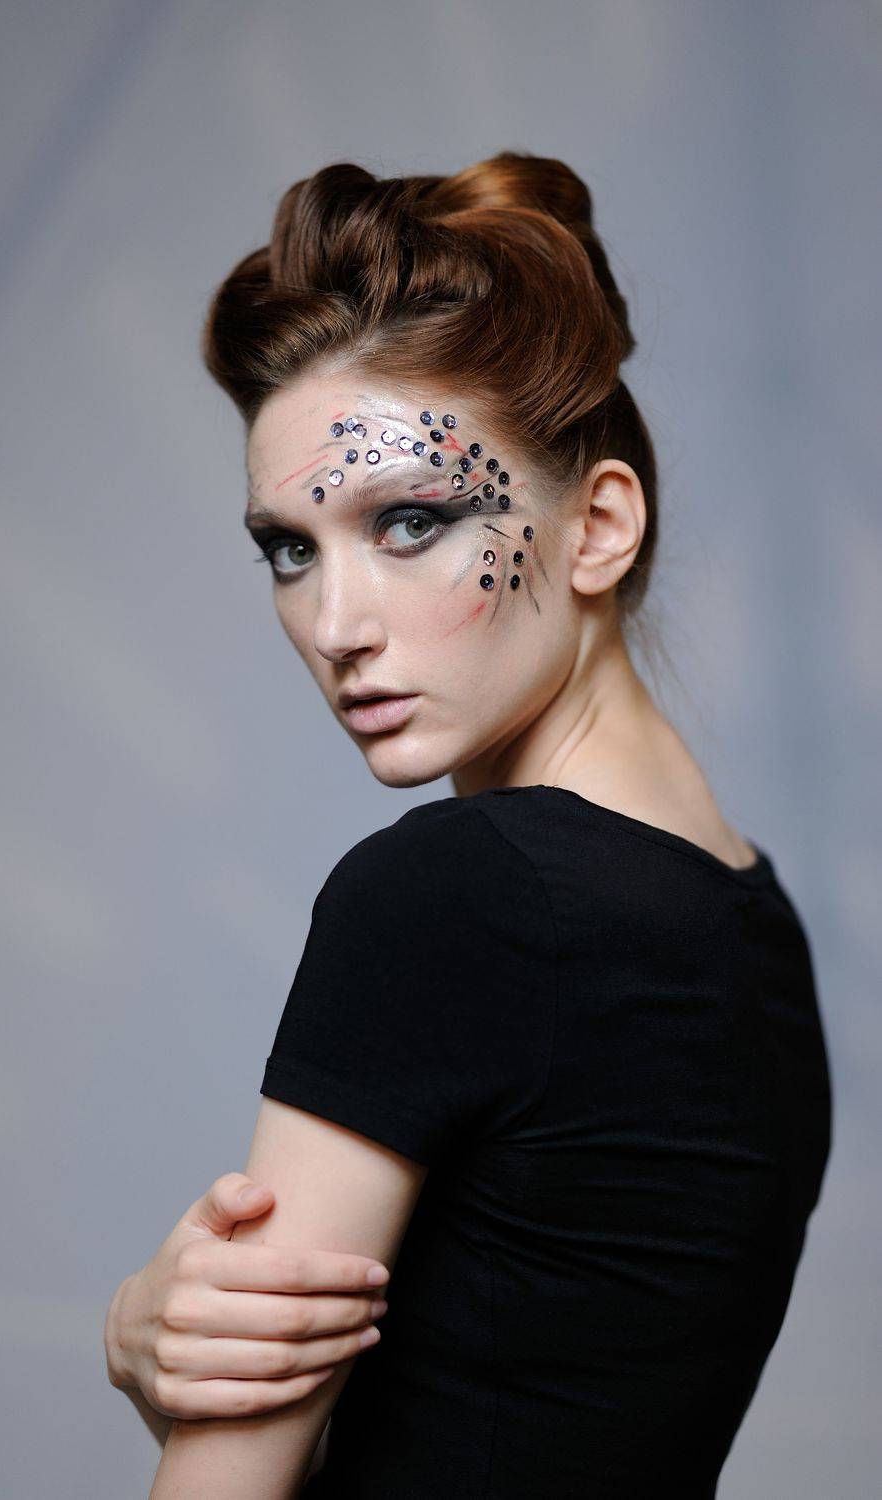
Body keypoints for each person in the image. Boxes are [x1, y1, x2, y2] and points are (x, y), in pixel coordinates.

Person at [103, 151, 832, 1498]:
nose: (334, 625)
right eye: (291, 548)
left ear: (596, 525)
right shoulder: (754, 921)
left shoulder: (453, 893)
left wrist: (165, 1374)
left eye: (409, 522)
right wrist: (173, 1366)